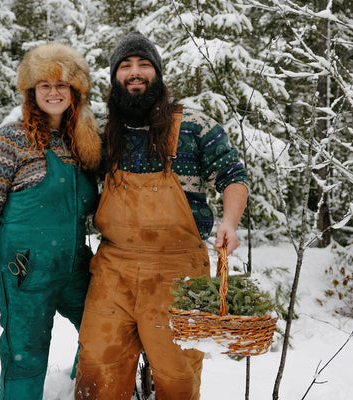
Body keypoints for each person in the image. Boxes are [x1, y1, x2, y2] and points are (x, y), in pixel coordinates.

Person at [74, 31, 249, 400]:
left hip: (179, 274)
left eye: (143, 65)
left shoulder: (194, 126)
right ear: (115, 77)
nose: (135, 73)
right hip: (113, 271)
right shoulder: (104, 133)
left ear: (158, 73)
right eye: (125, 66)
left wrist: (230, 223)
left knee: (178, 378)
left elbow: (234, 177)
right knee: (97, 373)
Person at [0, 43, 101, 400]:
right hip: (24, 267)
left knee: (104, 332)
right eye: (44, 85)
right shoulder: (13, 137)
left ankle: (73, 391)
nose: (53, 92)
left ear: (75, 90)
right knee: (26, 355)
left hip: (75, 263)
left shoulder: (86, 142)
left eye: (62, 84)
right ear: (32, 92)